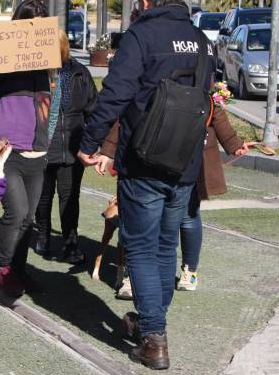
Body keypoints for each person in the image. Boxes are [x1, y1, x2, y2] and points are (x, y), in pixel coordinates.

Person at [77, 0, 216, 370]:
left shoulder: (141, 36)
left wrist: (90, 142)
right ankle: (150, 322)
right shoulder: (200, 40)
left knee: (139, 246)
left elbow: (116, 94)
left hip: (145, 160)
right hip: (184, 163)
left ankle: (153, 337)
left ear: (145, 0)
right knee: (163, 245)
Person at [96, 108, 252, 294]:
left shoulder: (198, 81)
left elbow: (212, 104)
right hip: (152, 149)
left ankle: (186, 272)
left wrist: (233, 142)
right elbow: (131, 105)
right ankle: (134, 276)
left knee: (183, 215)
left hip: (186, 152)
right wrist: (108, 149)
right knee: (146, 215)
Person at [0, 0, 51, 297]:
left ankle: (18, 269)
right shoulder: (3, 49)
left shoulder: (48, 53)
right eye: (29, 21)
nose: (34, 27)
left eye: (40, 21)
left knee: (29, 217)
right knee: (16, 212)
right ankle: (3, 267)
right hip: (6, 147)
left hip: (38, 147)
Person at [34, 29, 97, 263]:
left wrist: (92, 143)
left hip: (72, 146)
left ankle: (71, 243)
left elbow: (93, 109)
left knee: (69, 198)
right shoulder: (36, 73)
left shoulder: (79, 73)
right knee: (43, 196)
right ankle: (43, 236)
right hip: (43, 145)